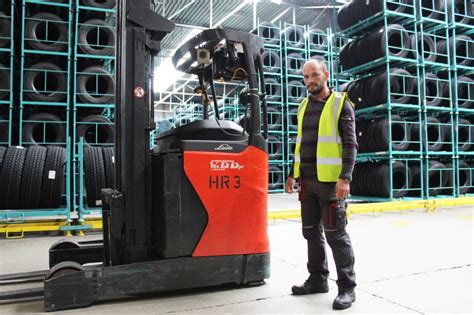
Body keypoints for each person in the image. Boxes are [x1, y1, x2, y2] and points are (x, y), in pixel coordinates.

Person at [285, 58, 358, 310]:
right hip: (308, 182)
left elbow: (350, 144)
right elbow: (300, 144)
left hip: (331, 184)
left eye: (314, 75)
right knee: (310, 233)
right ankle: (317, 279)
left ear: (325, 75)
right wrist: (293, 174)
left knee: (336, 235)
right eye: (305, 77)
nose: (310, 81)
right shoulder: (303, 106)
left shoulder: (341, 104)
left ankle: (347, 288)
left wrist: (345, 177)